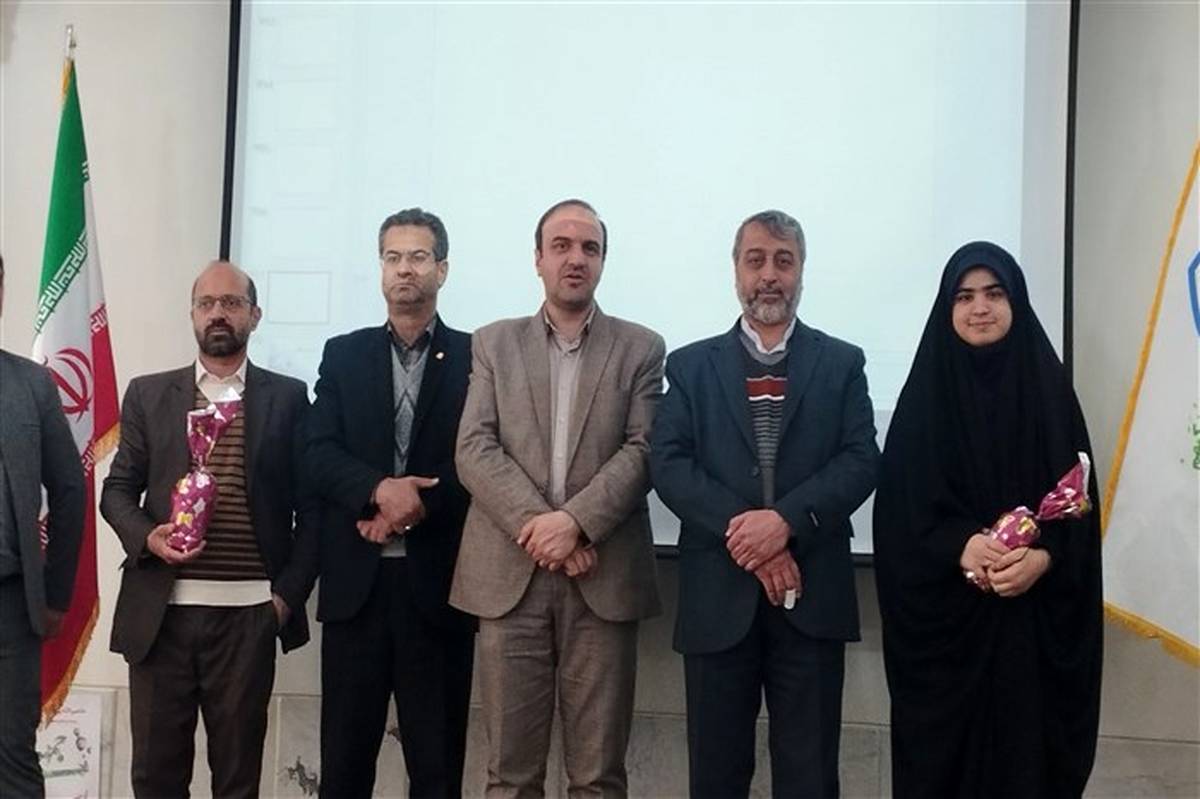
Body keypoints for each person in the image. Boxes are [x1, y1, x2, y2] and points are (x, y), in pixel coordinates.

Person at [650, 210, 879, 798]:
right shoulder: (691, 366)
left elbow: (861, 460)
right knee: (716, 778)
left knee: (810, 779)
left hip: (813, 599)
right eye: (756, 261)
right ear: (736, 272)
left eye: (784, 260)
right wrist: (750, 535)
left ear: (802, 270)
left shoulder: (842, 363)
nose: (769, 275)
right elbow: (668, 464)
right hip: (716, 603)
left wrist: (785, 523)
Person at [872, 241, 1103, 798]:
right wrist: (961, 546)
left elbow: (1080, 513)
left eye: (995, 293)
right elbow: (899, 517)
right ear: (947, 309)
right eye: (965, 296)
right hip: (946, 649)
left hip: (1032, 640)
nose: (980, 308)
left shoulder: (1051, 397)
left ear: (1015, 302)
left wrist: (1043, 559)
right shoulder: (923, 403)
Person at [451, 198, 664, 797]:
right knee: (510, 777)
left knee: (598, 777)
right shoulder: (493, 343)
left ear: (603, 261)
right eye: (562, 246)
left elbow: (644, 449)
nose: (576, 259)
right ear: (538, 259)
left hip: (603, 579)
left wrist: (575, 524)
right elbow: (474, 448)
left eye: (589, 248)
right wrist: (548, 530)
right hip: (508, 581)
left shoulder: (641, 348)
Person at [100, 260, 319, 798]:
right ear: (193, 315)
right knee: (155, 779)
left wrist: (283, 601)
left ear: (255, 315)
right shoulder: (150, 394)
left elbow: (313, 510)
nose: (218, 313)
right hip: (161, 618)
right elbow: (117, 492)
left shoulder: (289, 398)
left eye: (232, 303)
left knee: (238, 781)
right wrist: (148, 536)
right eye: (207, 303)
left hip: (249, 618)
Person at [309, 208, 475, 798]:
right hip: (357, 590)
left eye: (419, 257)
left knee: (437, 771)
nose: (405, 269)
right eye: (393, 257)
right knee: (344, 769)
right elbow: (317, 450)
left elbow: (483, 458)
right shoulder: (343, 354)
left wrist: (414, 507)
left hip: (439, 591)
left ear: (442, 270)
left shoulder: (477, 357)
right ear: (381, 268)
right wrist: (379, 492)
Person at [0, 253, 86, 798]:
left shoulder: (31, 383)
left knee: (12, 759)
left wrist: (56, 595)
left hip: (9, 605)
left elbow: (70, 488)